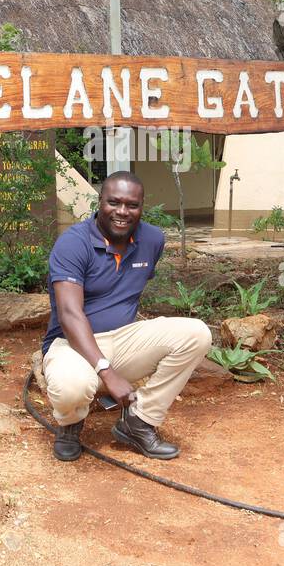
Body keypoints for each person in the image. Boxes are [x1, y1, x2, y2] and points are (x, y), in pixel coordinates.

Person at [41, 171, 211, 462]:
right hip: (71, 344)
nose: (122, 211)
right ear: (100, 202)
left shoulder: (152, 239)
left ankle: (138, 422)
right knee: (72, 388)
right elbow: (70, 314)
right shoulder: (73, 243)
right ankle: (70, 424)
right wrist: (107, 372)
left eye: (132, 205)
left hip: (123, 340)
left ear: (142, 206)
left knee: (197, 333)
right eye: (113, 202)